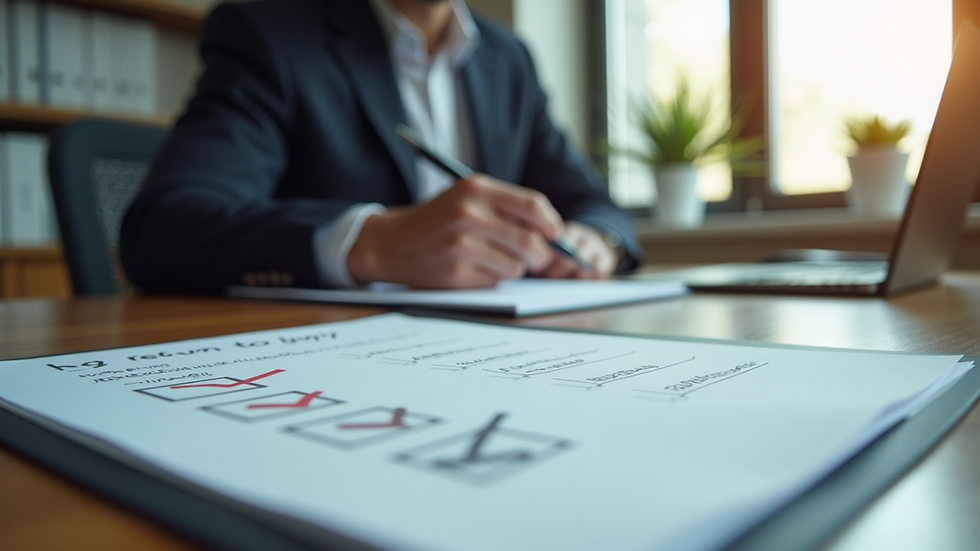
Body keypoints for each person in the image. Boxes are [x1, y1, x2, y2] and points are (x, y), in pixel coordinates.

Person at [120, 0, 642, 294]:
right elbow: (165, 229)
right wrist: (370, 242)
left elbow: (593, 202)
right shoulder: (269, 32)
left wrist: (599, 241)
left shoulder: (507, 59)